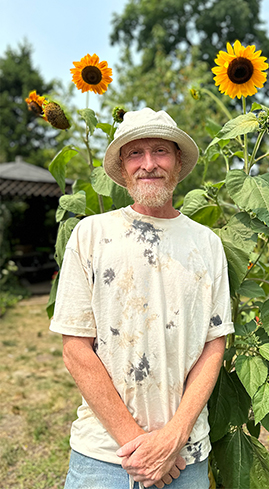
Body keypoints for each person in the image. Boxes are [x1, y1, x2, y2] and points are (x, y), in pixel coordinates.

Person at [51, 108, 232, 488]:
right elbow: (75, 350)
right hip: (105, 456)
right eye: (135, 153)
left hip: (184, 457)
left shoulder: (207, 244)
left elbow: (214, 345)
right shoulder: (91, 234)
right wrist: (140, 446)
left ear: (178, 161)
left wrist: (173, 437)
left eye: (160, 151)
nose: (148, 164)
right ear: (121, 165)